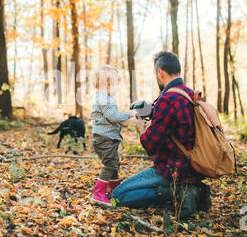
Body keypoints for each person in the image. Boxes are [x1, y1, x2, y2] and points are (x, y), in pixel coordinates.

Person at [111, 51, 211, 219]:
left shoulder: (167, 99)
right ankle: (190, 189)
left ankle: (177, 193)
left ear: (160, 73)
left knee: (117, 196)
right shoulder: (191, 95)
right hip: (194, 168)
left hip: (171, 171)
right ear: (177, 71)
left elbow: (150, 146)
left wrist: (140, 127)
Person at [90, 65, 138, 206]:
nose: (118, 88)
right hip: (104, 139)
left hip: (106, 138)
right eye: (117, 84)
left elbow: (111, 119)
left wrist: (130, 121)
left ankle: (115, 190)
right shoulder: (104, 99)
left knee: (114, 164)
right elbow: (113, 116)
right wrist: (130, 113)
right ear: (108, 84)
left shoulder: (104, 98)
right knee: (110, 165)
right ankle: (98, 194)